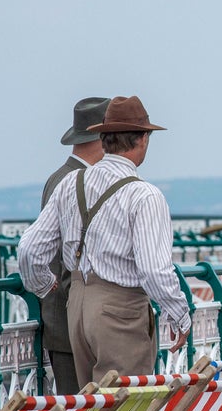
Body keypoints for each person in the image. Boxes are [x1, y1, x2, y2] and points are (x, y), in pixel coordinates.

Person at [19, 96, 190, 387]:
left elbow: (29, 249)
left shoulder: (72, 183)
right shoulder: (145, 196)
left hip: (77, 308)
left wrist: (44, 285)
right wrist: (179, 314)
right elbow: (154, 270)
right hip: (121, 311)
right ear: (143, 140)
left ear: (104, 138)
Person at [37, 96, 109, 393]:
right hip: (70, 325)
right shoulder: (76, 180)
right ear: (102, 138)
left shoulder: (63, 177)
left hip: (65, 325)